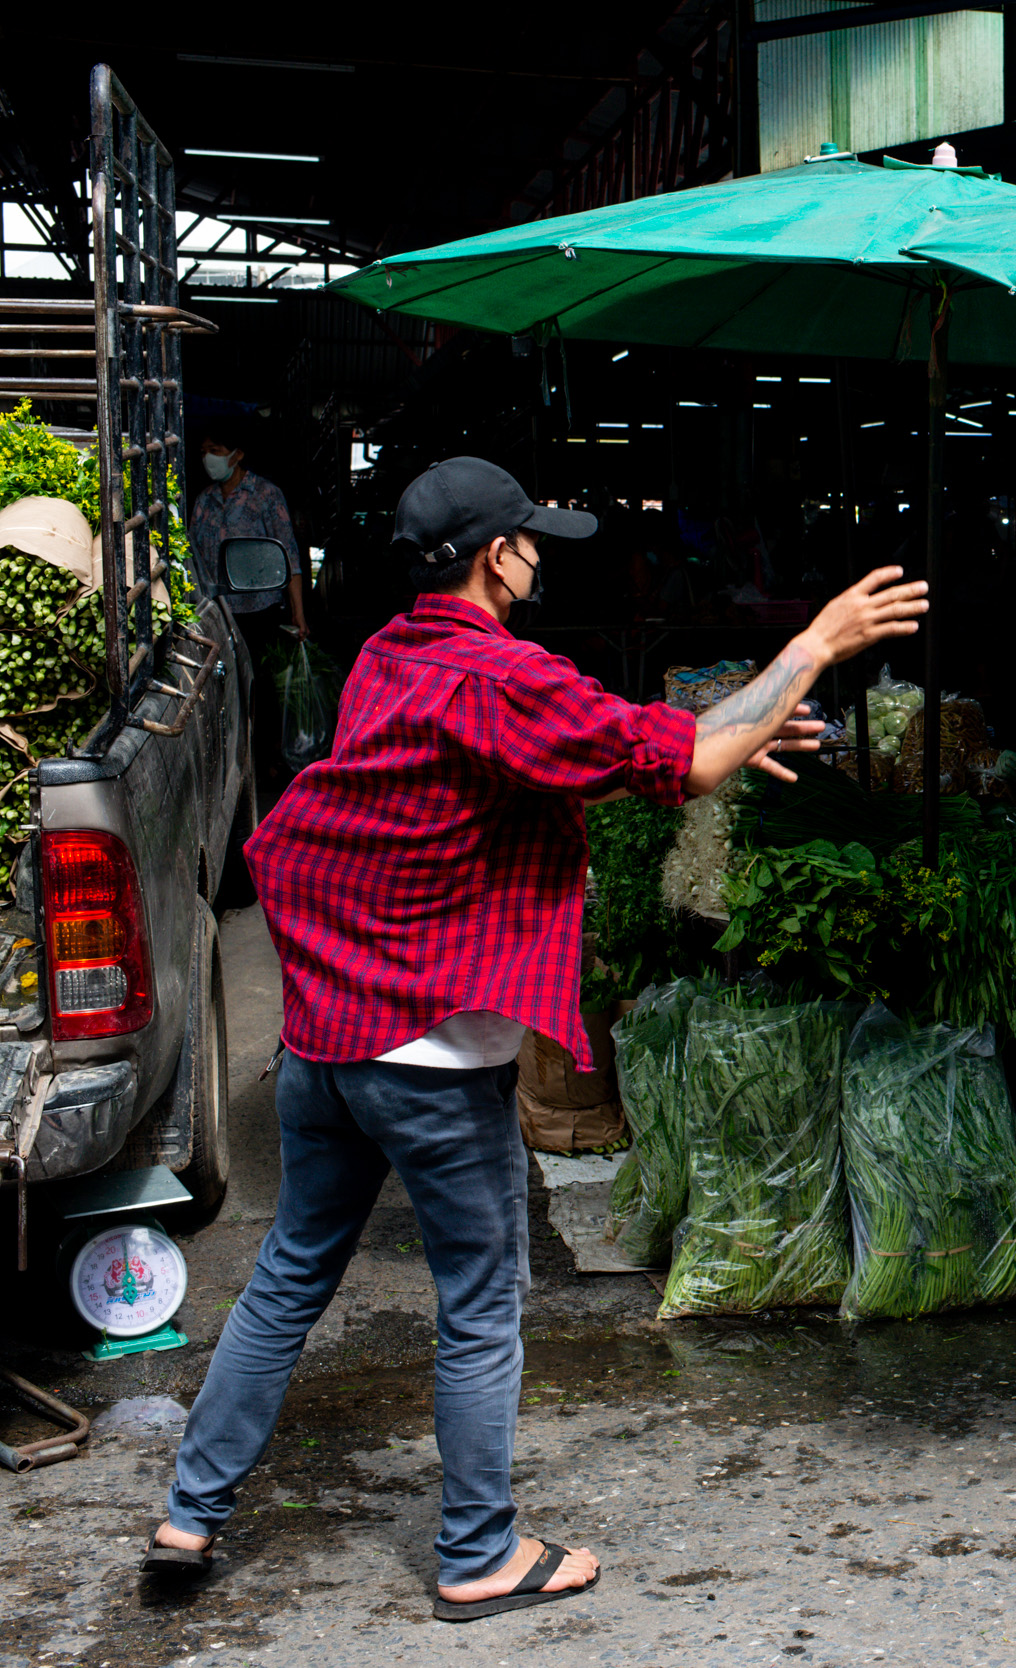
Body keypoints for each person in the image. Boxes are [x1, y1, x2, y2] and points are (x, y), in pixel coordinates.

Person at [140, 457, 927, 1621]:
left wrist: (700, 744)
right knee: (482, 1296)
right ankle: (476, 1554)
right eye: (528, 539)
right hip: (427, 1053)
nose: (540, 555)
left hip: (325, 1041)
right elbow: (670, 757)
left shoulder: (389, 657)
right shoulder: (501, 670)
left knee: (290, 1274)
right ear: (493, 555)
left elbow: (554, 764)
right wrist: (813, 643)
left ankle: (188, 1514)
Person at [189, 418, 311, 783]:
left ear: (238, 455)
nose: (208, 458)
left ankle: (265, 760)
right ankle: (229, 764)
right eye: (204, 452)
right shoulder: (203, 501)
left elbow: (289, 558)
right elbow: (191, 555)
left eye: (216, 451)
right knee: (223, 691)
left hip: (260, 611)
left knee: (263, 691)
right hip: (217, 613)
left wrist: (299, 615)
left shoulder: (265, 495)